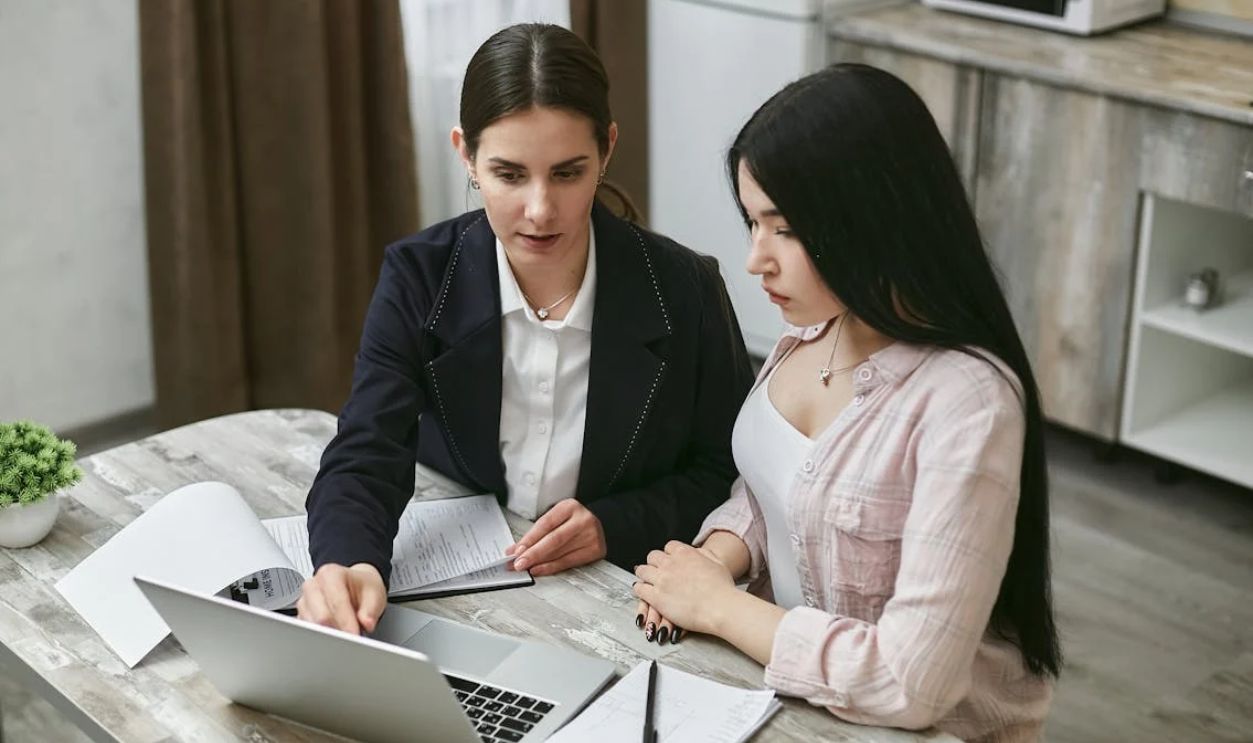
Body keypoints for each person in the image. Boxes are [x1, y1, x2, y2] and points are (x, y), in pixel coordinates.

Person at [631, 64, 1061, 741]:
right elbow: (776, 489)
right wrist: (716, 557)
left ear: (873, 218)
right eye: (751, 222)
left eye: (785, 229)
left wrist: (721, 608)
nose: (754, 259)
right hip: (789, 700)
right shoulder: (816, 325)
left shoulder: (967, 403)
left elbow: (910, 683)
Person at [297, 23, 753, 635]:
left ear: (608, 149)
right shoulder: (419, 277)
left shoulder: (685, 289)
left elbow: (724, 474)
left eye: (568, 173)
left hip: (623, 602)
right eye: (509, 175)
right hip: (463, 598)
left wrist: (613, 523)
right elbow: (367, 450)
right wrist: (348, 561)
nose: (540, 210)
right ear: (466, 154)